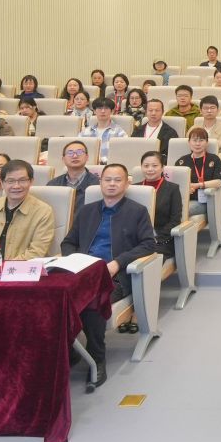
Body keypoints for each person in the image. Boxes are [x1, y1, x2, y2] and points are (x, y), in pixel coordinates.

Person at [61, 163, 157, 391]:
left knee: (93, 302)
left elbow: (148, 244)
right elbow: (68, 242)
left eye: (117, 180)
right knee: (55, 299)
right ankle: (70, 352)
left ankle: (96, 357)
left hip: (114, 276)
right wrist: (74, 260)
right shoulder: (86, 211)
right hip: (82, 273)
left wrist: (118, 263)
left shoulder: (137, 211)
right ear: (100, 182)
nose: (112, 184)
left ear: (126, 183)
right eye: (107, 180)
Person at [137, 151, 185, 257]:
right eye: (146, 166)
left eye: (154, 166)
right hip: (136, 238)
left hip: (161, 239)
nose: (150, 169)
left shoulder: (172, 189)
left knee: (144, 258)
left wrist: (156, 238)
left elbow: (175, 220)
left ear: (162, 168)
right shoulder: (135, 188)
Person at [174, 128, 221, 218]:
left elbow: (220, 182)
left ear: (207, 143)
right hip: (183, 198)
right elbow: (174, 183)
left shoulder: (214, 159)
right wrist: (185, 189)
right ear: (189, 142)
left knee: (182, 210)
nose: (197, 144)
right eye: (194, 140)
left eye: (201, 140)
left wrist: (198, 185)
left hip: (204, 200)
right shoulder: (182, 161)